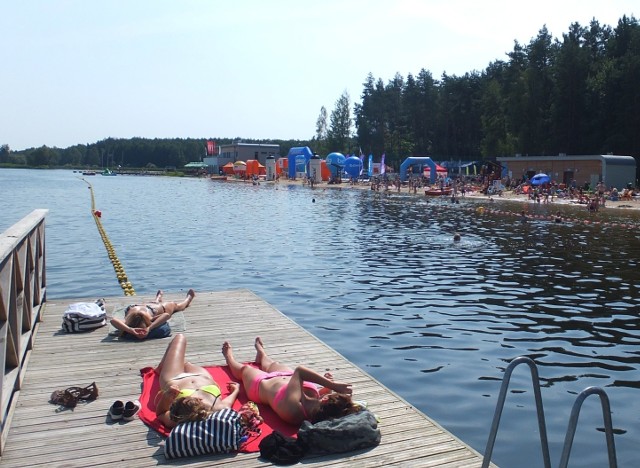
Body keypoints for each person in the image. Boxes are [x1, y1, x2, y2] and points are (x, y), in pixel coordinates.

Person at [222, 337, 360, 426]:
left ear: (324, 401)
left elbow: (300, 371)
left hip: (260, 385)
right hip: (287, 376)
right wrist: (325, 389)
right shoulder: (315, 406)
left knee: (244, 369)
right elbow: (306, 393)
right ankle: (262, 355)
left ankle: (229, 357)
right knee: (271, 363)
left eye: (326, 396)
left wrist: (333, 385)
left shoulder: (294, 411)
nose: (324, 395)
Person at [154, 333, 240, 428]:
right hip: (202, 376)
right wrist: (236, 391)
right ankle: (181, 363)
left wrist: (166, 397)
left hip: (176, 378)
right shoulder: (218, 409)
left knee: (180, 338)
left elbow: (160, 414)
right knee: (185, 363)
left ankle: (162, 366)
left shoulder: (179, 420)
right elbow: (228, 402)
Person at [110, 289, 195, 340]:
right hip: (139, 307)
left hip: (155, 308)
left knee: (176, 306)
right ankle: (158, 298)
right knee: (157, 303)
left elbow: (166, 315)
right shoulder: (129, 320)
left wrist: (149, 328)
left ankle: (188, 299)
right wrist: (130, 330)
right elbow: (113, 321)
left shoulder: (149, 318)